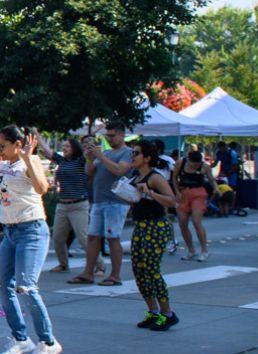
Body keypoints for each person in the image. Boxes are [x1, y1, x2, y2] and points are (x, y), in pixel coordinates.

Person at [0, 126, 60, 354]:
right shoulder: (4, 165)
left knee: (27, 287)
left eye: (2, 146)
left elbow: (42, 188)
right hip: (10, 231)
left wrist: (27, 158)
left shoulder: (29, 161)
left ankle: (48, 342)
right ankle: (20, 338)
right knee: (4, 285)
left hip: (31, 230)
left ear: (17, 144)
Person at [72, 123, 133, 287]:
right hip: (99, 201)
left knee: (113, 238)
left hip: (115, 202)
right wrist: (91, 158)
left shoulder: (127, 153)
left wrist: (102, 157)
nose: (109, 138)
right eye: (108, 135)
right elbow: (89, 171)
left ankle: (115, 275)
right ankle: (88, 272)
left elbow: (120, 170)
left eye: (112, 135)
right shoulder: (105, 153)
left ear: (122, 135)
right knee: (92, 237)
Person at [129, 139, 180, 331]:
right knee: (139, 270)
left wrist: (150, 193)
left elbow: (171, 201)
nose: (133, 157)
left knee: (152, 270)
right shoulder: (135, 176)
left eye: (136, 153)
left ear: (147, 158)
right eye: (132, 153)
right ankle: (153, 311)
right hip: (140, 226)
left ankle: (168, 314)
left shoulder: (154, 177)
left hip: (155, 227)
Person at [49, 137, 100, 275]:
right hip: (63, 204)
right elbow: (49, 151)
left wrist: (89, 150)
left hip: (79, 204)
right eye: (64, 146)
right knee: (58, 237)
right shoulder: (62, 161)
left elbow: (89, 160)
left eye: (67, 146)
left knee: (83, 237)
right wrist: (35, 133)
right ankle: (63, 264)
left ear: (74, 149)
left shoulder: (81, 161)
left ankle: (99, 265)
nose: (64, 148)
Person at [172, 147, 217, 262]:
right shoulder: (180, 163)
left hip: (198, 193)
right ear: (188, 160)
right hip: (183, 193)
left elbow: (211, 179)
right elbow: (174, 178)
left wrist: (215, 188)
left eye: (197, 164)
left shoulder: (204, 167)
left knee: (197, 222)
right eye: (193, 164)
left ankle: (204, 250)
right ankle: (191, 250)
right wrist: (177, 192)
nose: (194, 166)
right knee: (182, 223)